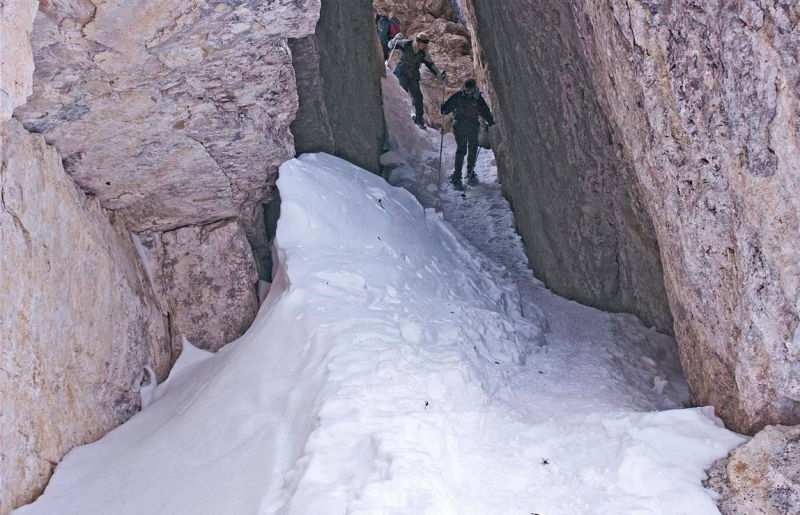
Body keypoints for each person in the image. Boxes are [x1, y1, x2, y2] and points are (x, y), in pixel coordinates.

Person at [440, 78, 495, 189]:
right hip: (467, 126)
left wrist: (444, 107)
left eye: (470, 90)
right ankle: (467, 173)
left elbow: (446, 109)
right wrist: (490, 121)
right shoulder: (475, 97)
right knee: (468, 149)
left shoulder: (459, 95)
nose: (469, 92)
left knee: (466, 149)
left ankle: (458, 176)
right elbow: (484, 110)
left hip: (464, 125)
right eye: (468, 89)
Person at [388, 31, 446, 129]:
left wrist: (439, 75)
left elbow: (431, 65)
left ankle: (419, 119)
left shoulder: (423, 54)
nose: (423, 45)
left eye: (425, 43)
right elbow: (390, 46)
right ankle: (399, 118)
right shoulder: (406, 44)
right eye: (422, 42)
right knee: (402, 93)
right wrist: (395, 39)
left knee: (418, 97)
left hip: (413, 76)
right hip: (401, 72)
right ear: (417, 41)